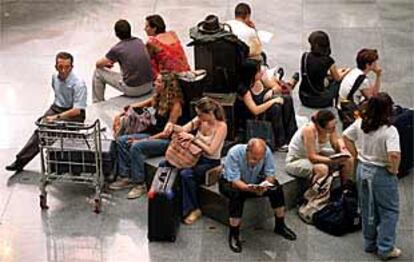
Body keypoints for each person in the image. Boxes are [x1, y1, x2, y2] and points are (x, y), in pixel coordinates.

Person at [5, 52, 87, 172]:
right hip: (57, 107)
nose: (63, 70)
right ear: (55, 66)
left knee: (51, 131)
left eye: (67, 67)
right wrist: (52, 114)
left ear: (72, 67)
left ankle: (57, 163)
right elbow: (57, 96)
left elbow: (77, 110)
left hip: (73, 113)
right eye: (60, 67)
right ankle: (20, 161)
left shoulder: (79, 84)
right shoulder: (54, 77)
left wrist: (56, 117)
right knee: (40, 131)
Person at [343, 93, 401, 260]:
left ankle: (370, 242)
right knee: (389, 210)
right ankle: (385, 247)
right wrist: (394, 170)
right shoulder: (389, 131)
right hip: (381, 172)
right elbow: (394, 155)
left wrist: (356, 155)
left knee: (367, 207)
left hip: (363, 168)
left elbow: (346, 137)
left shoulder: (361, 123)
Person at [109, 72, 183, 199]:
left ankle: (139, 183)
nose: (155, 83)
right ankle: (125, 176)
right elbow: (135, 106)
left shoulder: (175, 105)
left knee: (136, 147)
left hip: (167, 140)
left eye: (159, 82)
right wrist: (121, 114)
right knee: (121, 140)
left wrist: (144, 139)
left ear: (167, 86)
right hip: (152, 133)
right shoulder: (158, 97)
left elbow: (167, 134)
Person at [219, 138, 297, 253]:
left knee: (276, 187)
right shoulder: (234, 153)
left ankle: (280, 225)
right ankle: (234, 233)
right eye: (254, 158)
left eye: (259, 159)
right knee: (236, 195)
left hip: (255, 181)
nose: (256, 161)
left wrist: (265, 185)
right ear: (247, 150)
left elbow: (270, 174)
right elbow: (234, 181)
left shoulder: (267, 152)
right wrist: (248, 189)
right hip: (234, 183)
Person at [166, 97, 227, 224]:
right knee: (165, 164)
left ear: (209, 113)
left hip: (210, 162)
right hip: (195, 157)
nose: (198, 117)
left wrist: (193, 139)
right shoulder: (200, 120)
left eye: (200, 114)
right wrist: (172, 126)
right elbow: (183, 129)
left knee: (186, 174)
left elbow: (211, 150)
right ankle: (170, 202)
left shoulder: (221, 127)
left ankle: (193, 208)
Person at [238, 59, 297, 151]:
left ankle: (291, 135)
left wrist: (271, 91)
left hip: (266, 106)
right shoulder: (244, 89)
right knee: (275, 107)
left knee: (287, 99)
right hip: (257, 116)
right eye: (258, 71)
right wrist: (272, 101)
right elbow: (255, 110)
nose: (261, 72)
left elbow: (277, 87)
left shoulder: (261, 79)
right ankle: (280, 142)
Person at [93, 19, 153, 103]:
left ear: (116, 34)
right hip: (149, 85)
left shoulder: (117, 49)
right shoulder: (139, 41)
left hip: (134, 89)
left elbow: (98, 64)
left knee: (98, 72)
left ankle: (97, 103)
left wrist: (109, 63)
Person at [285, 110, 354, 182]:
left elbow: (335, 144)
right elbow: (312, 157)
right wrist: (332, 161)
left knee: (348, 159)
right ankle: (315, 192)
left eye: (334, 126)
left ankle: (345, 187)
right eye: (329, 128)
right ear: (319, 127)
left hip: (317, 153)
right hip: (297, 159)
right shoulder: (309, 130)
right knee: (322, 169)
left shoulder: (331, 128)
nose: (332, 130)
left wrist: (342, 149)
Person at [299, 30, 350, 108]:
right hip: (320, 100)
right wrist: (346, 71)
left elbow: (314, 72)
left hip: (304, 97)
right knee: (338, 82)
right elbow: (338, 78)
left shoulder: (305, 56)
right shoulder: (328, 60)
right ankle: (338, 104)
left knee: (328, 78)